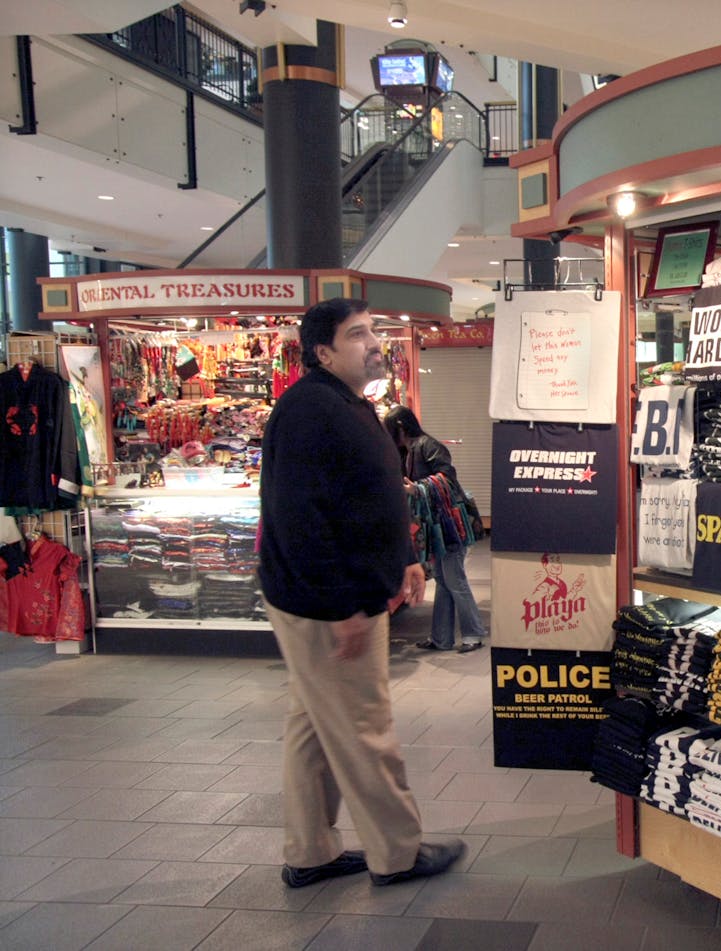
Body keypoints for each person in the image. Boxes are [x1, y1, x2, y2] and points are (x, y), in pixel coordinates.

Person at [258, 298, 465, 889]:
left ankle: (310, 851)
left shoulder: (346, 404)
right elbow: (299, 520)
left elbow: (368, 494)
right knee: (364, 728)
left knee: (313, 728)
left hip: (334, 597)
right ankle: (398, 853)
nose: (373, 342)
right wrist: (343, 605)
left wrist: (404, 558)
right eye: (357, 335)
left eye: (373, 330)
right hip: (327, 605)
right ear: (323, 352)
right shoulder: (308, 411)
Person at [384, 405, 488, 653]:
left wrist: (416, 489)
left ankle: (473, 634)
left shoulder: (427, 446)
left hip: (450, 525)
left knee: (454, 579)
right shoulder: (411, 451)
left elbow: (447, 478)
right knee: (444, 579)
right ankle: (441, 638)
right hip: (439, 526)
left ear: (399, 427)